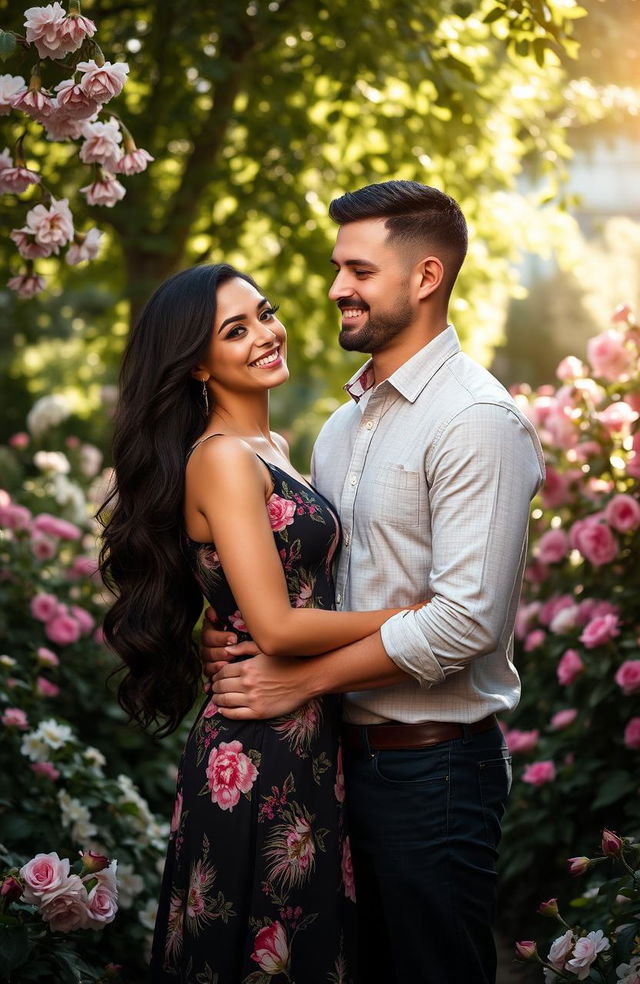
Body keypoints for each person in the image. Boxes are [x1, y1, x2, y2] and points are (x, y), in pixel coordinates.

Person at [202, 181, 545, 984]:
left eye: (358, 270)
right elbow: (305, 585)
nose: (334, 289)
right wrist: (227, 628)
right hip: (322, 765)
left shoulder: (476, 421)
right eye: (335, 267)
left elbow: (464, 625)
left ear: (425, 278)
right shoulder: (340, 425)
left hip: (433, 773)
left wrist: (301, 678)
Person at [98, 262, 428, 984]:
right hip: (257, 748)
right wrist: (417, 617)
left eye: (265, 313)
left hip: (304, 731)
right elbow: (276, 627)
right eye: (234, 330)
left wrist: (217, 627)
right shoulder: (220, 460)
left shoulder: (274, 452)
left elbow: (254, 599)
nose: (265, 334)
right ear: (195, 365)